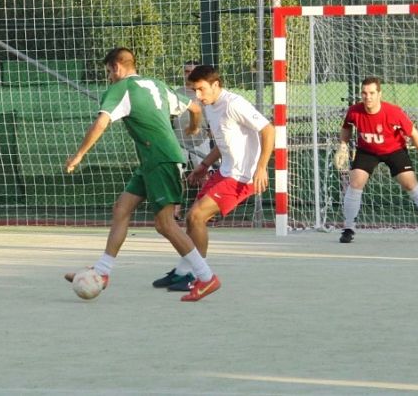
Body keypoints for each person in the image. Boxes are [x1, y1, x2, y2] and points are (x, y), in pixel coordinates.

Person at [63, 47, 220, 302]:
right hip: (153, 161)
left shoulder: (120, 88)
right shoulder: (157, 85)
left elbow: (101, 123)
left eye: (108, 72)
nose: (109, 78)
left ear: (116, 67)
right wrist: (193, 128)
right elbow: (195, 107)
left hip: (160, 159)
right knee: (122, 208)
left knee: (165, 224)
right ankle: (102, 272)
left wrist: (79, 155)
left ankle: (205, 276)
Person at [152, 64, 274, 291]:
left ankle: (200, 276)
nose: (197, 95)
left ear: (215, 85)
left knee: (197, 217)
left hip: (241, 178)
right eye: (193, 90)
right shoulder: (209, 106)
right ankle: (182, 272)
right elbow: (223, 141)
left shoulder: (234, 104)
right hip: (224, 172)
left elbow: (268, 129)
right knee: (191, 218)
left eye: (201, 89)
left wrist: (262, 167)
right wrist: (205, 164)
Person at [333, 76, 418, 244]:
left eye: (372, 93)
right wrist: (343, 146)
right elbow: (346, 128)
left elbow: (414, 134)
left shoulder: (393, 112)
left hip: (394, 150)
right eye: (364, 93)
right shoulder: (354, 111)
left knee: (410, 184)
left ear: (380, 94)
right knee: (355, 182)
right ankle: (348, 228)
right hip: (367, 151)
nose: (368, 97)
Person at [171, 59, 213, 221]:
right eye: (186, 71)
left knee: (205, 176)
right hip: (178, 141)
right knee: (176, 176)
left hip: (200, 140)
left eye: (192, 71)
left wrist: (209, 133)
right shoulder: (176, 93)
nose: (189, 75)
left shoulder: (204, 93)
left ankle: (205, 213)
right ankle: (175, 211)